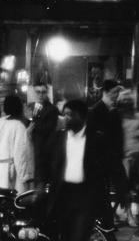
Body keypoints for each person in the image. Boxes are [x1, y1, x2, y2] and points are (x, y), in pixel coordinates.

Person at [39, 99, 110, 241]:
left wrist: (121, 188)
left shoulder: (96, 139)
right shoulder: (58, 137)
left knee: (79, 235)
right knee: (65, 235)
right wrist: (41, 183)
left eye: (70, 115)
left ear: (81, 116)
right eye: (64, 114)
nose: (65, 118)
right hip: (62, 194)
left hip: (85, 196)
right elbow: (44, 161)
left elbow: (110, 165)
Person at [87, 79, 127, 231]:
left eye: (118, 92)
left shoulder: (114, 111)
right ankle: (106, 223)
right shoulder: (96, 110)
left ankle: (108, 221)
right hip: (101, 160)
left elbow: (119, 135)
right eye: (114, 92)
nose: (117, 95)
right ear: (106, 92)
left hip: (113, 158)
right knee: (102, 193)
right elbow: (92, 137)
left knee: (119, 189)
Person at [28, 82, 58, 180]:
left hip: (43, 150)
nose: (41, 95)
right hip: (30, 148)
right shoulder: (30, 107)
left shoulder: (52, 109)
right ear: (34, 93)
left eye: (43, 92)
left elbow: (48, 128)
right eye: (38, 92)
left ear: (47, 93)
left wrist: (33, 125)